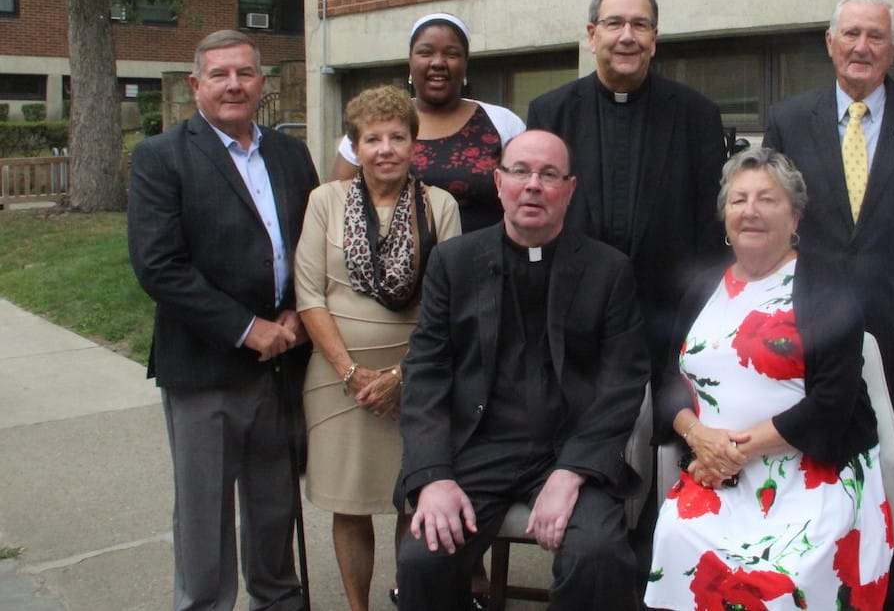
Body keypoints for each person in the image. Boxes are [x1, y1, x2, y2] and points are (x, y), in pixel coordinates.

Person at [393, 130, 650, 610]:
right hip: (478, 450)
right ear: (498, 182)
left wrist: (572, 472)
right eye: (520, 172)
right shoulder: (454, 262)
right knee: (422, 560)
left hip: (569, 449)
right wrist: (433, 477)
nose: (533, 185)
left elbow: (623, 383)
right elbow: (425, 372)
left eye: (549, 174)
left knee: (597, 555)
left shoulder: (608, 270)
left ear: (569, 189)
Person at [646, 146, 893, 610]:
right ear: (724, 216)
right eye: (738, 200)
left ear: (795, 216)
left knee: (780, 574)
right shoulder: (702, 286)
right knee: (676, 535)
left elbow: (832, 401)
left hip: (811, 472)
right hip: (716, 472)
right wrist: (698, 437)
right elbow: (667, 378)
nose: (750, 211)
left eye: (767, 199)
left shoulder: (828, 283)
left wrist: (731, 450)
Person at [762, 0, 894, 610]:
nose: (862, 47)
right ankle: (810, 590)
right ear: (830, 41)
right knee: (811, 467)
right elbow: (772, 220)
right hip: (810, 332)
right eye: (851, 34)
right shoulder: (790, 119)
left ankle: (884, 594)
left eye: (876, 36)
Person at [127, 30, 319, 611]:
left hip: (283, 365)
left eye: (245, 73)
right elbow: (159, 265)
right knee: (205, 512)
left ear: (263, 83)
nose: (233, 85)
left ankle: (277, 600)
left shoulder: (291, 154)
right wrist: (247, 326)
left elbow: (312, 242)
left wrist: (296, 312)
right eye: (219, 75)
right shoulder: (162, 157)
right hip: (206, 366)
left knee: (274, 504)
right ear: (196, 86)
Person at [294, 85, 461, 610]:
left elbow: (452, 302)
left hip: (418, 377)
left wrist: (402, 377)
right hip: (334, 380)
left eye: (397, 136)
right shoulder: (325, 201)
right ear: (356, 147)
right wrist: (350, 372)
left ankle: (407, 598)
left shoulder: (440, 206)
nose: (385, 148)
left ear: (415, 144)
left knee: (413, 502)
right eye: (372, 139)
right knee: (350, 504)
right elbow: (308, 294)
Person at [526, 0, 728, 388]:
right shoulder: (550, 112)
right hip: (574, 321)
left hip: (669, 320)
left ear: (654, 39)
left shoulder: (696, 115)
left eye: (640, 25)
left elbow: (711, 225)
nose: (627, 37)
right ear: (591, 34)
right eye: (614, 23)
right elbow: (533, 217)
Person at [332, 13, 525, 233]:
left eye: (452, 54)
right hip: (393, 264)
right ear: (410, 62)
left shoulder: (502, 122)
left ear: (465, 63)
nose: (438, 63)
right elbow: (338, 202)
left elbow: (527, 191)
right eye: (426, 52)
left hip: (484, 262)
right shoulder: (372, 122)